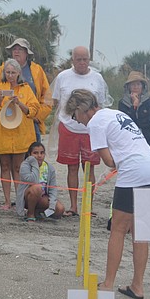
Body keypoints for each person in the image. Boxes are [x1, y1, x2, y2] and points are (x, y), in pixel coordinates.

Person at [65, 89, 150, 299]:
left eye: (75, 116)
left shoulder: (95, 123)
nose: (77, 121)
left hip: (133, 173)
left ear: (82, 110)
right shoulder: (117, 113)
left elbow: (109, 160)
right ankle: (138, 285)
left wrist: (110, 167)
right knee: (140, 233)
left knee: (118, 229)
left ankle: (108, 283)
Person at [52, 46, 109, 217]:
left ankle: (88, 206)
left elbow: (103, 103)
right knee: (72, 167)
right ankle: (73, 206)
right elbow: (56, 102)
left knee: (89, 168)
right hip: (69, 127)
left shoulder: (97, 78)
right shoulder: (63, 77)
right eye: (79, 59)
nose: (82, 63)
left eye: (85, 59)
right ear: (73, 60)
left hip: (90, 130)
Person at [0, 58, 40, 210]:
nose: (10, 75)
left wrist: (20, 103)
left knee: (18, 168)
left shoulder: (26, 89)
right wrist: (0, 102)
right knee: (4, 167)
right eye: (8, 72)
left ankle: (19, 199)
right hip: (3, 133)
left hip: (21, 133)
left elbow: (33, 110)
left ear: (19, 73)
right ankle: (6, 200)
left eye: (13, 72)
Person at [0, 38, 52, 142]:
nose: (16, 51)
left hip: (31, 121)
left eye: (20, 49)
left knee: (32, 156)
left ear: (26, 53)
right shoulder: (2, 69)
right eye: (14, 49)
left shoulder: (37, 70)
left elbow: (47, 97)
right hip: (6, 120)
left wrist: (37, 116)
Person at [16, 141, 65, 221]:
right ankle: (30, 214)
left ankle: (37, 211)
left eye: (42, 153)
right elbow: (33, 180)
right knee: (37, 188)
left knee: (60, 209)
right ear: (30, 154)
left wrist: (52, 205)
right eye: (35, 153)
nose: (39, 156)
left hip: (42, 197)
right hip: (27, 197)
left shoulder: (49, 167)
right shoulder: (25, 165)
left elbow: (53, 187)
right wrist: (35, 164)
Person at [118, 71, 150, 151]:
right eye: (133, 85)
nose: (136, 87)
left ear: (143, 86)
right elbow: (125, 122)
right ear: (128, 87)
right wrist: (134, 105)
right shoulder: (123, 103)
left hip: (146, 135)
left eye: (138, 84)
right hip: (129, 137)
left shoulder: (149, 101)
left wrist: (138, 124)